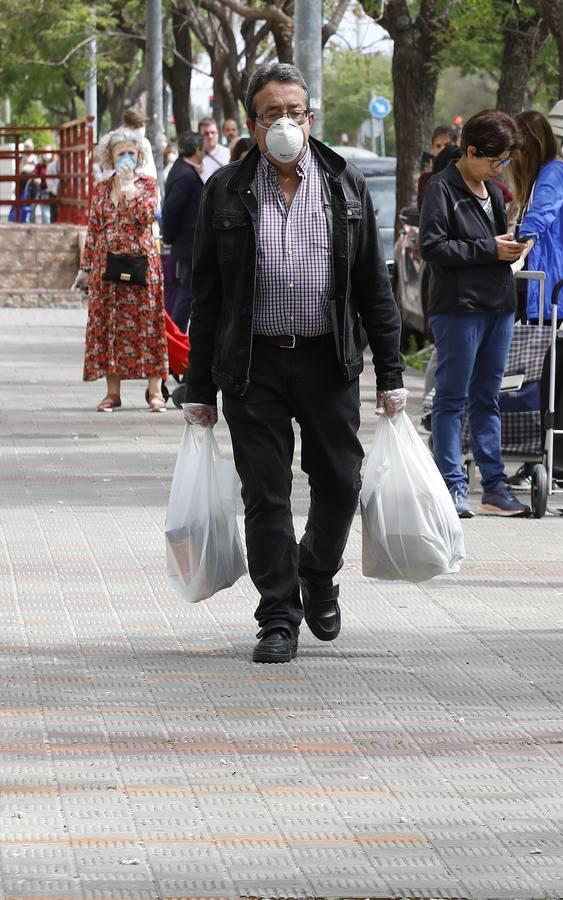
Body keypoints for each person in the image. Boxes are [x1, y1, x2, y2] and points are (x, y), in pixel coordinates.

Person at [182, 63, 405, 664]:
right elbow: (206, 295)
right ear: (252, 124)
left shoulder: (344, 186)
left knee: (340, 480)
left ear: (311, 118)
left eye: (295, 112)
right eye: (272, 113)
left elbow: (372, 288)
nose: (285, 123)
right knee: (267, 493)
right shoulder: (225, 190)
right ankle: (277, 616)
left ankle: (318, 571)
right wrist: (197, 387)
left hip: (327, 361)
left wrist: (391, 374)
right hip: (252, 366)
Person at [417, 109, 530, 519]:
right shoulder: (440, 189)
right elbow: (433, 247)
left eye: (503, 162)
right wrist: (489, 249)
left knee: (489, 398)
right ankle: (451, 486)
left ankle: (494, 486)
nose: (499, 169)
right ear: (470, 151)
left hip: (497, 305)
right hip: (457, 308)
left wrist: (511, 246)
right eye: (494, 160)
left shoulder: (495, 193)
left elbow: (493, 245)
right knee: (452, 399)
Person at [76, 128, 168, 412]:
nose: (127, 158)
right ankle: (112, 392)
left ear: (139, 155)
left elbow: (146, 216)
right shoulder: (102, 189)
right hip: (106, 268)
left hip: (142, 264)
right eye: (121, 153)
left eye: (131, 152)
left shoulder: (148, 185)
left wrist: (129, 190)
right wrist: (85, 268)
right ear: (110, 157)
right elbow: (94, 229)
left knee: (148, 324)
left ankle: (155, 391)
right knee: (109, 326)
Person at [511, 110, 563, 323]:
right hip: (541, 279)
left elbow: (541, 214)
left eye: (518, 149)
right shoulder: (548, 172)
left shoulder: (553, 173)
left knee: (538, 353)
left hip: (545, 279)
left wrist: (522, 243)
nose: (514, 157)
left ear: (532, 146)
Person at [161, 132, 205, 331]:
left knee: (187, 291)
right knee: (186, 293)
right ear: (197, 151)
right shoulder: (185, 175)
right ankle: (175, 334)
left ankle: (175, 333)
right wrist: (169, 237)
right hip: (187, 243)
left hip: (186, 242)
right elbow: (171, 209)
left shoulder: (181, 169)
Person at [197, 117, 230, 182]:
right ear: (199, 135)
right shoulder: (195, 157)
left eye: (213, 132)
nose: (210, 136)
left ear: (217, 133)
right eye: (206, 133)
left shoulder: (228, 153)